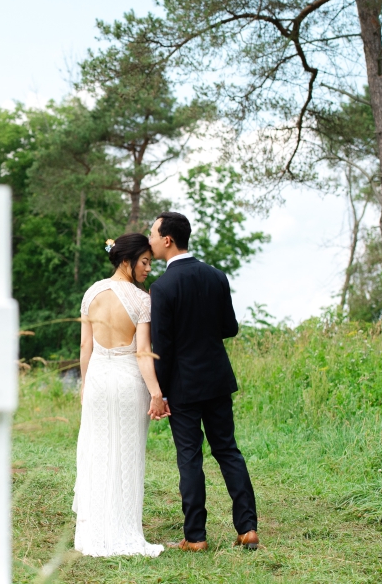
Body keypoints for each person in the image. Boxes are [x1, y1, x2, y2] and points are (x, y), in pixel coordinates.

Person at [148, 211, 259, 552]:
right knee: (228, 450)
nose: (149, 239)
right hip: (216, 379)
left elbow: (162, 347)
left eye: (152, 233)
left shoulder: (163, 287)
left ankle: (195, 536)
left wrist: (160, 392)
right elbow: (230, 328)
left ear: (168, 239)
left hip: (182, 386)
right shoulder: (216, 276)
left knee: (190, 457)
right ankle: (248, 529)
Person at [71, 232, 168, 557]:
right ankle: (124, 529)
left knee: (98, 452)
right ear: (126, 260)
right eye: (144, 262)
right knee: (127, 454)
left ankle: (95, 531)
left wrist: (85, 383)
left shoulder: (92, 294)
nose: (147, 269)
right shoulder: (142, 300)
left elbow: (85, 346)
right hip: (128, 381)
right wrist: (156, 393)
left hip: (98, 378)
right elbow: (143, 352)